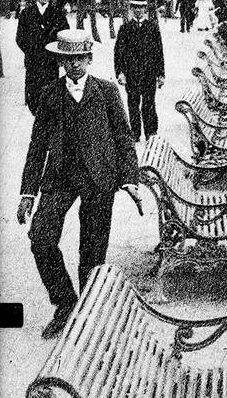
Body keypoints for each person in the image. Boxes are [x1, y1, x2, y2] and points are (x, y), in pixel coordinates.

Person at [17, 30, 141, 339]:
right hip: (60, 177)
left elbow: (123, 138)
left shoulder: (108, 91)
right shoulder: (49, 94)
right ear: (60, 61)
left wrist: (129, 179)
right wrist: (28, 193)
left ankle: (88, 310)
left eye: (80, 59)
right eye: (68, 59)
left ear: (89, 59)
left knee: (92, 250)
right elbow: (37, 146)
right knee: (41, 237)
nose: (74, 65)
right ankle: (65, 303)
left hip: (99, 178)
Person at [113, 0, 165, 141]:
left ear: (145, 9)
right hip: (132, 74)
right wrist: (120, 72)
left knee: (149, 104)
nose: (138, 10)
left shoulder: (153, 28)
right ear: (131, 9)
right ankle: (135, 134)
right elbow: (119, 53)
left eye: (141, 7)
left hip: (149, 73)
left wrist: (161, 74)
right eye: (135, 7)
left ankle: (151, 132)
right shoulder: (125, 29)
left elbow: (158, 52)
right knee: (133, 105)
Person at [16, 0, 71, 114]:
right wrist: (32, 51)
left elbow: (65, 35)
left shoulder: (58, 14)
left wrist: (56, 55)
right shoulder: (26, 13)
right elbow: (20, 38)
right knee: (34, 99)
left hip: (50, 64)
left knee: (51, 98)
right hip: (33, 64)